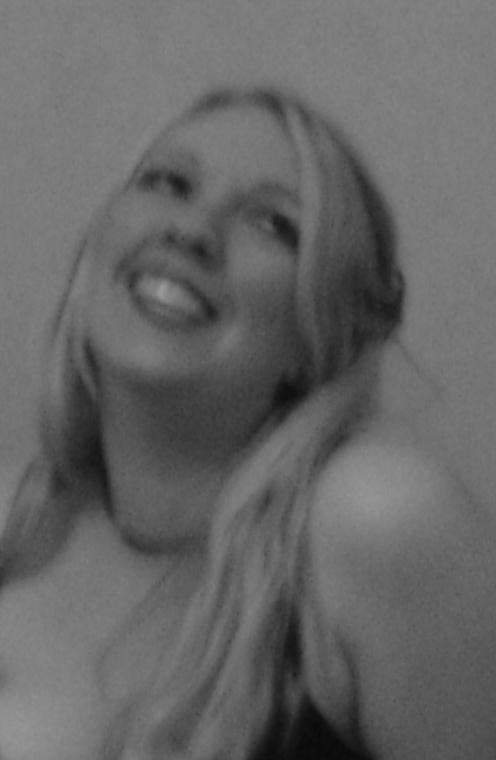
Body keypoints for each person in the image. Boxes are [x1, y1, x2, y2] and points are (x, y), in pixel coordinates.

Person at [1, 85, 496, 760]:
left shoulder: (379, 520)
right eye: (169, 182)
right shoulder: (21, 527)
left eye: (272, 224)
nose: (191, 231)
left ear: (317, 339)